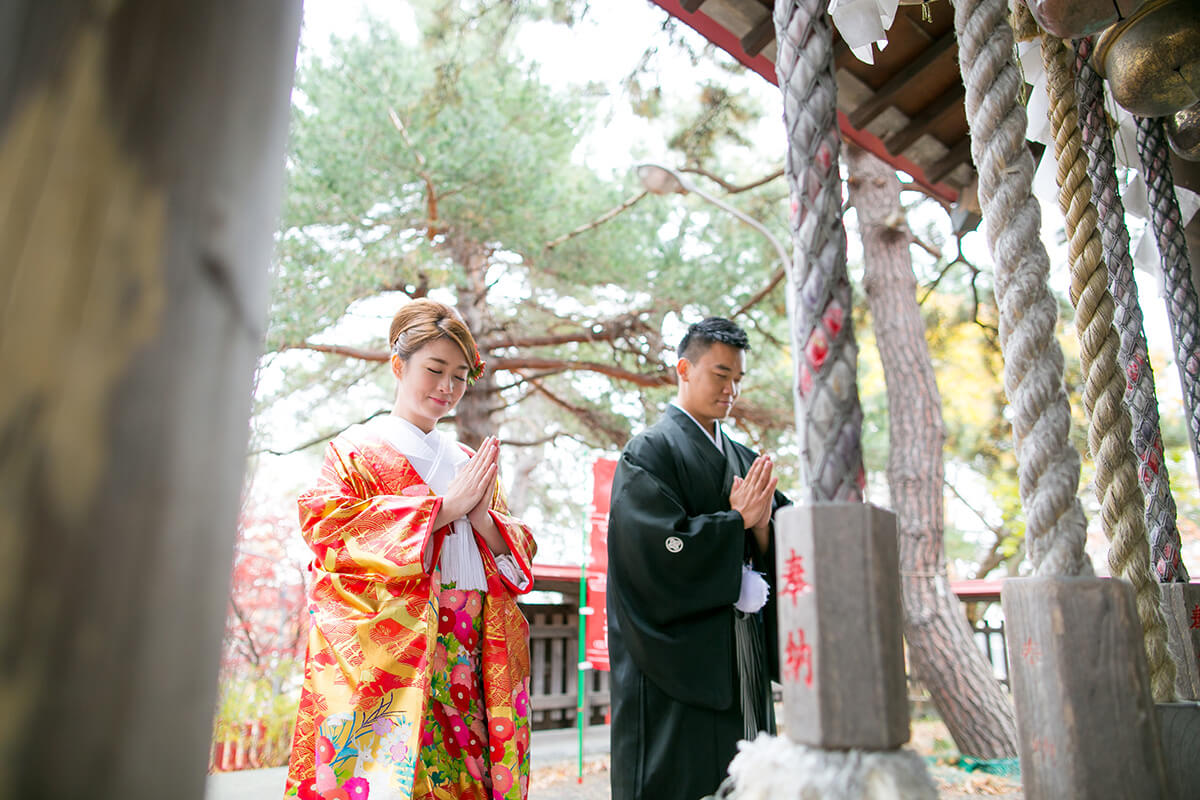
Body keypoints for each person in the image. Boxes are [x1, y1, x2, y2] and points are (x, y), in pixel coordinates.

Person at [284, 299, 536, 800]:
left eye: (461, 376)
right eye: (435, 370)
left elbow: (515, 558)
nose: (447, 387)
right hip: (395, 650)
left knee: (471, 776)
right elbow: (327, 531)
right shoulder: (355, 450)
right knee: (399, 778)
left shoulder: (466, 458)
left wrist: (482, 518)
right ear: (398, 366)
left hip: (474, 643)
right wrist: (444, 507)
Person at [606, 317, 790, 800]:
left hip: (740, 654)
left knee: (751, 775)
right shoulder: (649, 452)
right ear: (684, 369)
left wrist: (764, 528)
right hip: (679, 660)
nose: (730, 389)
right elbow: (655, 547)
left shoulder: (745, 459)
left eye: (737, 379)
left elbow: (781, 538)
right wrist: (734, 526)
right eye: (720, 374)